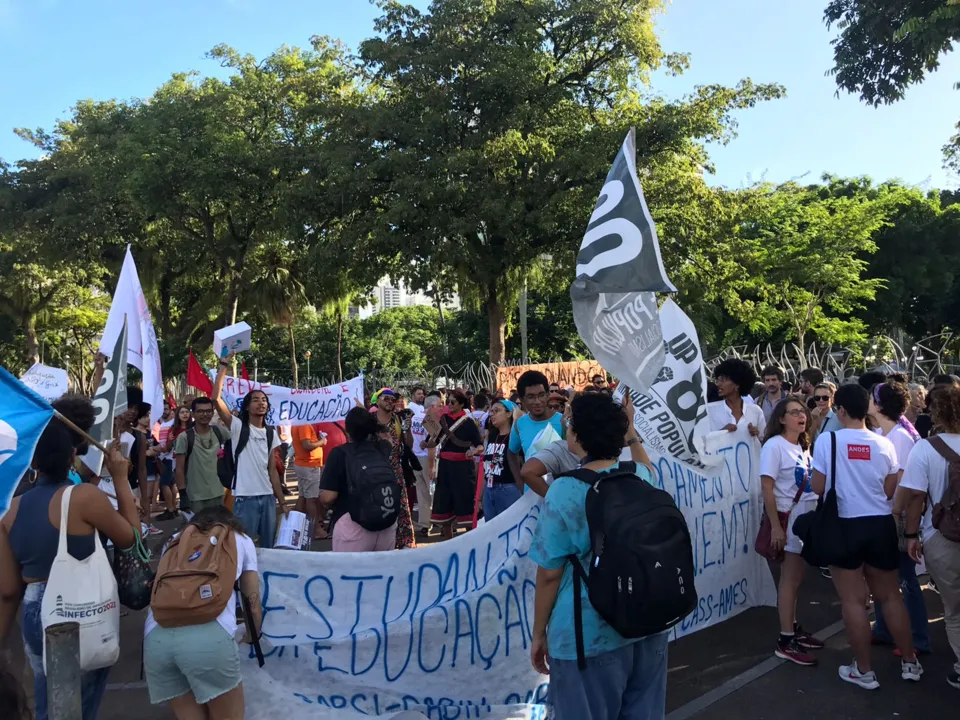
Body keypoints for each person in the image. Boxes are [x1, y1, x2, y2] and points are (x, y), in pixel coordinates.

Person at [0, 395, 140, 720]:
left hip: (35, 613)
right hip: (80, 609)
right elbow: (132, 539)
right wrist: (120, 478)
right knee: (77, 707)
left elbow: (8, 591)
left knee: (48, 700)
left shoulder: (10, 510)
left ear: (31, 462)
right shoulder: (84, 497)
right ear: (73, 454)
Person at [529, 393, 667, 719]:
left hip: (588, 635)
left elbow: (549, 573)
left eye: (569, 419)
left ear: (577, 434)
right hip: (647, 624)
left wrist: (538, 634)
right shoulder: (640, 476)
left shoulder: (566, 490)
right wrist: (630, 430)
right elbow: (646, 464)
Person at [810, 384, 922, 689]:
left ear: (840, 410)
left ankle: (864, 670)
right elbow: (889, 490)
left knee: (853, 601)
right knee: (890, 596)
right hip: (879, 524)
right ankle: (910, 662)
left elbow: (818, 488)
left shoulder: (827, 440)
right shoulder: (883, 443)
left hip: (843, 525)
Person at [143, 506, 260, 719]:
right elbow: (252, 603)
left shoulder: (176, 540)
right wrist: (253, 635)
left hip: (157, 637)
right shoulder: (238, 539)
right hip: (209, 638)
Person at [900, 385, 960, 690]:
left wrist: (911, 535)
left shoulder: (925, 448)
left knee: (954, 609)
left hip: (940, 534)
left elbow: (915, 498)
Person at [758, 397, 824, 666]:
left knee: (796, 579)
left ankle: (793, 627)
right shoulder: (774, 446)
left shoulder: (802, 444)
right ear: (781, 419)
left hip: (805, 521)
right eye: (794, 412)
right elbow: (767, 488)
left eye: (802, 412)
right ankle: (786, 639)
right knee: (790, 579)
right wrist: (775, 526)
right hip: (787, 520)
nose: (801, 416)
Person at [869, 378, 930, 655]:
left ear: (880, 405)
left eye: (872, 397)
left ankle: (917, 638)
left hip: (898, 518)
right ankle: (883, 630)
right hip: (883, 515)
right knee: (881, 576)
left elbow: (906, 483)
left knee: (906, 579)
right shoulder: (886, 435)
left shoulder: (900, 438)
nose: (867, 401)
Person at [212, 352, 288, 548]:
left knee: (268, 548)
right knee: (245, 549)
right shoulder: (238, 428)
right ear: (246, 407)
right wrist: (223, 365)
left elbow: (272, 470)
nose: (261, 402)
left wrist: (282, 502)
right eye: (255, 399)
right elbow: (216, 399)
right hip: (245, 500)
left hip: (268, 499)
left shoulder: (271, 433)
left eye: (263, 400)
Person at [320, 407, 399, 552]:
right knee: (382, 573)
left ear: (347, 429)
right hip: (386, 524)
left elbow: (327, 497)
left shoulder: (339, 453)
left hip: (352, 525)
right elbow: (388, 438)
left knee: (350, 574)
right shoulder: (382, 448)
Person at [427, 390, 484, 538]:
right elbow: (434, 440)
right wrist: (426, 444)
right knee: (444, 504)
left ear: (461, 404)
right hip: (445, 467)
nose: (449, 405)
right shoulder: (443, 419)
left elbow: (480, 445)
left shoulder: (469, 422)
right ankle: (448, 542)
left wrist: (474, 451)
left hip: (463, 470)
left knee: (465, 504)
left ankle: (470, 542)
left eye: (452, 402)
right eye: (448, 402)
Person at [368, 388, 417, 549]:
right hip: (374, 473)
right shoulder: (370, 421)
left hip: (396, 472)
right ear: (378, 400)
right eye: (386, 398)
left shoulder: (398, 419)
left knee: (401, 508)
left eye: (392, 399)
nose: (390, 401)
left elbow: (408, 445)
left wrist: (407, 430)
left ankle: (404, 543)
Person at [697, 359, 764, 463]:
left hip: (749, 472)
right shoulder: (709, 410)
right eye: (717, 380)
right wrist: (721, 433)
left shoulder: (755, 411)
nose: (718, 384)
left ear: (737, 384)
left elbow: (764, 442)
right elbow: (700, 443)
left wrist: (755, 434)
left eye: (723, 380)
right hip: (721, 473)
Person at [507, 371, 563, 491]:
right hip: (531, 498)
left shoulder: (562, 422)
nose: (537, 401)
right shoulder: (519, 424)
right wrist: (520, 483)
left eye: (541, 395)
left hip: (560, 494)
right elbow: (511, 453)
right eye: (531, 397)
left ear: (548, 395)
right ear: (522, 399)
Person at [174, 397, 227, 515]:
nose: (205, 414)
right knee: (200, 532)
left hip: (219, 493)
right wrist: (182, 495)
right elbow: (179, 468)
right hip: (195, 497)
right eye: (200, 411)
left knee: (218, 530)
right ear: (193, 413)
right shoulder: (184, 437)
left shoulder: (220, 432)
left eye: (208, 411)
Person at [482, 399, 522, 521]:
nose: (492, 414)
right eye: (491, 411)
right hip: (489, 488)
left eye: (497, 411)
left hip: (508, 488)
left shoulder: (516, 438)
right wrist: (480, 497)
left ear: (509, 414)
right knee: (491, 531)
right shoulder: (493, 436)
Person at [410, 395, 440, 536]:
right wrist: (431, 465)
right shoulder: (430, 420)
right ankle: (438, 520)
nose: (440, 408)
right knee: (434, 492)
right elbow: (432, 446)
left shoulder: (415, 417)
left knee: (421, 493)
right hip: (427, 459)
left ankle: (424, 523)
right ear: (432, 406)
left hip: (415, 458)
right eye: (439, 405)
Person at [291, 422, 327, 540]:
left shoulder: (299, 423)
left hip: (304, 464)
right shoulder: (303, 424)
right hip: (309, 465)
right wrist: (321, 442)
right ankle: (316, 529)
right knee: (311, 499)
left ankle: (293, 526)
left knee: (303, 497)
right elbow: (306, 445)